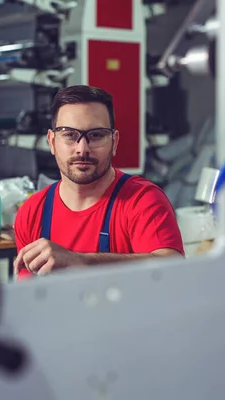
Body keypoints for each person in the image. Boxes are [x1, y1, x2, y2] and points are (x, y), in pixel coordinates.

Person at [13, 85, 184, 279]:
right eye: (69, 135)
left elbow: (172, 267)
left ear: (114, 142)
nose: (82, 149)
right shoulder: (32, 212)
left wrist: (82, 262)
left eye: (96, 135)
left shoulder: (142, 200)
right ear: (52, 142)